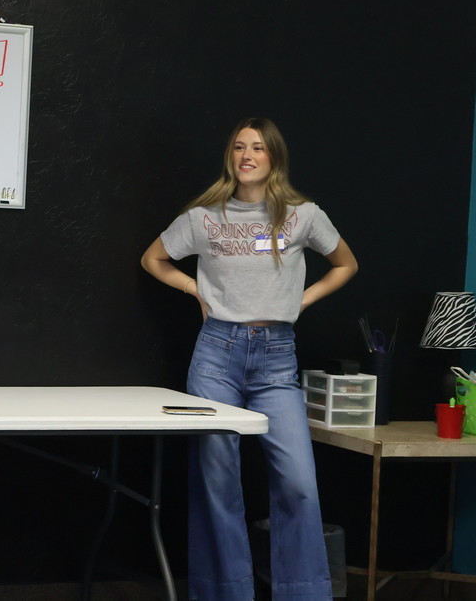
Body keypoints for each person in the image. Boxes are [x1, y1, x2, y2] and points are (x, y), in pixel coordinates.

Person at [141, 117, 357, 601]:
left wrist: (301, 300)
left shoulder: (303, 216)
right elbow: (153, 258)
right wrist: (193, 287)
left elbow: (346, 263)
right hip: (216, 355)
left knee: (299, 483)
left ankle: (302, 593)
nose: (246, 155)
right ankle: (225, 594)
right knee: (218, 482)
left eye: (258, 148)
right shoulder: (205, 217)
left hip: (277, 360)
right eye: (239, 147)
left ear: (274, 158)